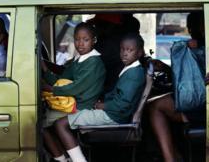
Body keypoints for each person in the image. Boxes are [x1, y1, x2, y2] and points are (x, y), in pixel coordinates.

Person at [53, 33, 146, 162]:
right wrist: (102, 101)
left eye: (130, 50)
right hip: (114, 113)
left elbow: (123, 103)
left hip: (114, 116)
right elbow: (118, 96)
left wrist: (103, 105)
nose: (125, 53)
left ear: (139, 53)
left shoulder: (134, 74)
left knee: (60, 124)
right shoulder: (131, 69)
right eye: (123, 49)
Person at [41, 22, 106, 162]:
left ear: (94, 41)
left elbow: (76, 88)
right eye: (77, 39)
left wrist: (49, 89)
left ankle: (69, 160)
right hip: (73, 102)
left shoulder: (93, 63)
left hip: (82, 106)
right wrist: (45, 69)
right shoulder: (79, 60)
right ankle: (64, 158)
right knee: (45, 121)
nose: (80, 44)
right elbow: (63, 78)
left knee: (40, 124)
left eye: (85, 40)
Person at [148, 12, 205, 162]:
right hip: (198, 104)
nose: (192, 31)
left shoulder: (205, 47)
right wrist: (166, 69)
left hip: (204, 107)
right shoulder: (197, 46)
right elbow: (189, 78)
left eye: (195, 26)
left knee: (156, 107)